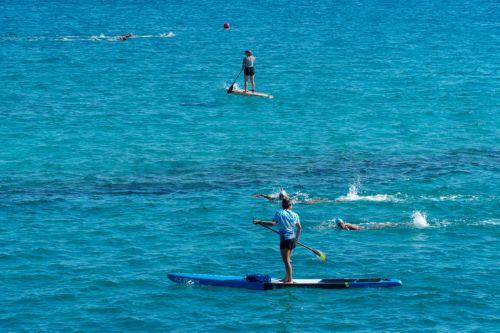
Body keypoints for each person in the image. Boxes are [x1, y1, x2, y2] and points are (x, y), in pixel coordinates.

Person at [253, 198, 302, 283]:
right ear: (290, 205)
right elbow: (299, 228)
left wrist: (260, 222)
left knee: (286, 261)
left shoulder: (279, 213)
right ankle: (286, 277)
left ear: (282, 205)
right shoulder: (295, 215)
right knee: (288, 259)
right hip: (292, 239)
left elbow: (273, 224)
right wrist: (296, 239)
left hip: (285, 239)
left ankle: (290, 279)